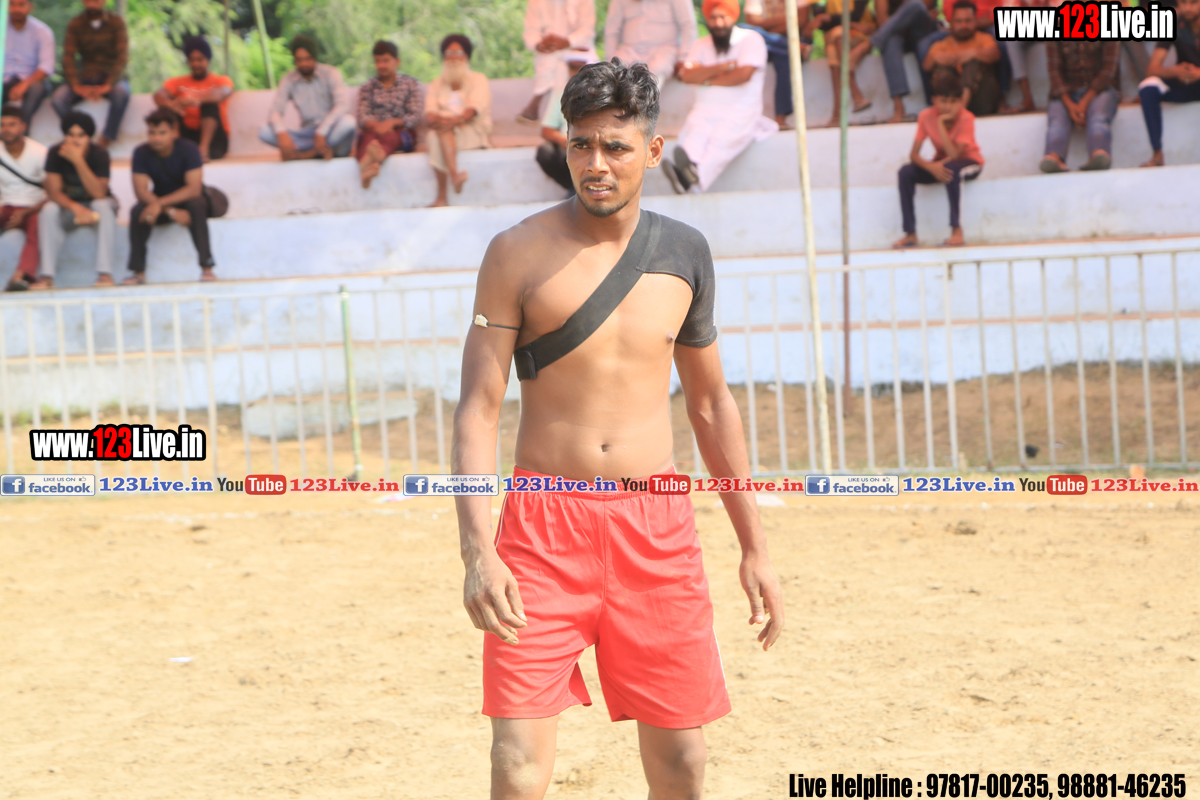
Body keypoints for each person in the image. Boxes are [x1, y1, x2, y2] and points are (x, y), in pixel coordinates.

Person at [453, 57, 784, 800]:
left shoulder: (685, 253)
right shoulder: (514, 252)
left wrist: (755, 547)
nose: (595, 164)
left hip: (656, 528)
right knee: (516, 766)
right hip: (541, 532)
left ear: (653, 150)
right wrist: (478, 550)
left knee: (684, 764)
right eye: (581, 144)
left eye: (615, 146)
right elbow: (477, 407)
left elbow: (710, 405)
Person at [666, 0, 779, 194]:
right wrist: (723, 67)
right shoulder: (701, 44)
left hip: (741, 111)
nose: (718, 23)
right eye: (713, 18)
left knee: (721, 139)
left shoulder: (751, 39)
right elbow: (688, 76)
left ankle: (691, 181)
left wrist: (705, 77)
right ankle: (688, 172)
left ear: (733, 17)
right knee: (695, 134)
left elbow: (742, 76)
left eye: (722, 17)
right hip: (705, 110)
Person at [893, 69, 983, 248]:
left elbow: (955, 155)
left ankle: (957, 231)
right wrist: (930, 167)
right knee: (905, 172)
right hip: (941, 163)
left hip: (969, 162)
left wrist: (941, 123)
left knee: (952, 168)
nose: (948, 106)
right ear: (934, 100)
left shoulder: (966, 118)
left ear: (960, 101)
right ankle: (910, 234)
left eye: (953, 101)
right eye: (943, 101)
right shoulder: (925, 116)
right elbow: (913, 154)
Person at [126, 109, 214, 284]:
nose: (156, 138)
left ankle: (207, 267)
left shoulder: (189, 149)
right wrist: (170, 211)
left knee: (197, 204)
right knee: (137, 211)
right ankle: (138, 272)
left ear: (175, 132)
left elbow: (193, 189)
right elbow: (140, 191)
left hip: (187, 200)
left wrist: (159, 205)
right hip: (162, 202)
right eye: (152, 133)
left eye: (162, 133)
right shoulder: (141, 152)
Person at [37, 111, 117, 289]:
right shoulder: (55, 152)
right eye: (71, 135)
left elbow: (99, 193)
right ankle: (46, 276)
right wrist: (75, 207)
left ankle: (105, 274)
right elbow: (54, 192)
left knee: (102, 205)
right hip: (69, 208)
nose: (75, 140)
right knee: (49, 209)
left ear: (89, 137)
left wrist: (78, 160)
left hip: (95, 209)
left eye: (81, 135)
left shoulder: (99, 153)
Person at [258, 34, 356, 161]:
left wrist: (322, 131)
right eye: (299, 60)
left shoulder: (330, 73)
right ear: (294, 60)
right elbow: (275, 110)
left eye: (308, 59)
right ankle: (317, 152)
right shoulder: (289, 79)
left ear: (315, 58)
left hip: (329, 132)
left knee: (348, 123)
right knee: (264, 131)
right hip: (307, 137)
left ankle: (307, 155)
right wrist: (281, 133)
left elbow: (343, 105)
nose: (304, 63)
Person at [51, 0, 129, 148]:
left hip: (111, 75)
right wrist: (75, 85)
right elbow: (68, 56)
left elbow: (122, 57)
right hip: (85, 75)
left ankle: (107, 137)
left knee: (121, 93)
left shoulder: (116, 22)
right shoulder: (75, 23)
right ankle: (80, 134)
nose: (92, 3)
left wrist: (109, 84)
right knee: (58, 99)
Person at [426, 34, 492, 207]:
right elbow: (430, 113)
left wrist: (453, 120)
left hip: (471, 130)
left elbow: (473, 109)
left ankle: (442, 197)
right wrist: (442, 120)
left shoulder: (478, 79)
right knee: (434, 135)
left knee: (439, 132)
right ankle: (454, 178)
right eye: (448, 53)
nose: (453, 58)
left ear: (467, 56)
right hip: (445, 131)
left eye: (458, 53)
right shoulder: (437, 83)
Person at [850, 0, 940, 123]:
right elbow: (882, 22)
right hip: (898, 34)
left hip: (923, 31)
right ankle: (899, 107)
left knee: (914, 4)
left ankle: (869, 44)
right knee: (890, 40)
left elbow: (925, 7)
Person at [1039, 39, 1119, 173]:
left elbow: (1108, 70)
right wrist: (1070, 105)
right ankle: (1054, 157)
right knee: (1057, 123)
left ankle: (1098, 153)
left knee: (1098, 118)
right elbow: (1054, 72)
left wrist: (1084, 102)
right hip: (1065, 94)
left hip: (1100, 90)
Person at [1138, 0, 1200, 167]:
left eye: (1193, 2)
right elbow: (1152, 69)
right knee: (1148, 86)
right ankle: (1157, 154)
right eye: (1183, 2)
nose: (1188, 8)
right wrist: (1176, 71)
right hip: (1185, 84)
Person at [153, 36, 234, 162]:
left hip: (215, 142)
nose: (196, 64)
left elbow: (221, 94)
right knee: (168, 109)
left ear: (208, 60)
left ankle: (203, 151)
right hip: (187, 137)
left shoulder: (221, 80)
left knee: (210, 105)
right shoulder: (177, 82)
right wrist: (173, 105)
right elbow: (158, 96)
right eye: (192, 60)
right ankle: (173, 149)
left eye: (200, 59)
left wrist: (190, 100)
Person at [356, 40, 423, 190]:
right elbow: (362, 116)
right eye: (377, 61)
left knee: (390, 136)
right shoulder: (367, 87)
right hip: (374, 131)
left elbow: (415, 115)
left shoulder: (410, 84)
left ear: (397, 61)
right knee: (368, 139)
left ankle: (369, 163)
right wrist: (376, 125)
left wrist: (392, 123)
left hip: (401, 133)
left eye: (386, 60)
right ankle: (368, 168)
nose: (381, 65)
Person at [518, 0, 596, 122]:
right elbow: (531, 31)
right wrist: (539, 44)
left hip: (578, 48)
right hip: (549, 49)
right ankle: (556, 118)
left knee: (557, 65)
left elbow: (587, 30)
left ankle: (537, 102)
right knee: (551, 61)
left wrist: (567, 42)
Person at [922, 0, 1001, 116]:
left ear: (975, 21)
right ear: (951, 23)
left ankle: (960, 109)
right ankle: (951, 107)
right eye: (959, 21)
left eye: (968, 21)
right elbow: (926, 66)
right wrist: (935, 57)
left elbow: (995, 55)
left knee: (973, 62)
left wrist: (973, 53)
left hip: (981, 102)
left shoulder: (984, 39)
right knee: (941, 68)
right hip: (949, 106)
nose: (963, 25)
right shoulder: (942, 45)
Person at [742, 0, 813, 127]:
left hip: (779, 40)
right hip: (769, 44)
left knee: (785, 57)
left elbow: (801, 20)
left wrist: (767, 33)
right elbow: (752, 22)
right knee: (743, 29)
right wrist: (789, 18)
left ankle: (780, 119)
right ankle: (793, 46)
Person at [805, 0, 876, 126]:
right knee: (833, 46)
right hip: (838, 36)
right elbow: (823, 23)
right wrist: (821, 17)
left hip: (861, 36)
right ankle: (855, 98)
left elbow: (855, 16)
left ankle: (838, 112)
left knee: (837, 37)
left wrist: (830, 19)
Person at [535, 49, 596, 194]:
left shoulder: (601, 93)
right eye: (573, 67)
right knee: (545, 152)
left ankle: (582, 191)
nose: (576, 72)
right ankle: (575, 190)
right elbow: (546, 130)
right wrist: (564, 140)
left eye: (580, 67)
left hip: (594, 146)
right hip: (568, 147)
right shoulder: (561, 93)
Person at [0, 105, 46, 292]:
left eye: (12, 124)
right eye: (2, 125)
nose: (6, 129)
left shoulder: (40, 152)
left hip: (34, 207)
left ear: (23, 127)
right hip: (6, 206)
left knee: (38, 224)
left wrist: (25, 212)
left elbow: (52, 193)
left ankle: (22, 276)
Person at [603, 0, 698, 86]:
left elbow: (688, 27)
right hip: (629, 50)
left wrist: (683, 59)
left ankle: (649, 99)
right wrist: (609, 60)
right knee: (615, 71)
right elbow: (612, 31)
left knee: (657, 70)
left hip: (664, 50)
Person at [3, 0, 55, 126]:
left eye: (21, 4)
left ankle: (22, 129)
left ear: (30, 7)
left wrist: (23, 86)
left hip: (29, 80)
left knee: (37, 88)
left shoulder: (42, 31)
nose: (16, 9)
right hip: (3, 80)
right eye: (12, 4)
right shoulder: (2, 26)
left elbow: (46, 67)